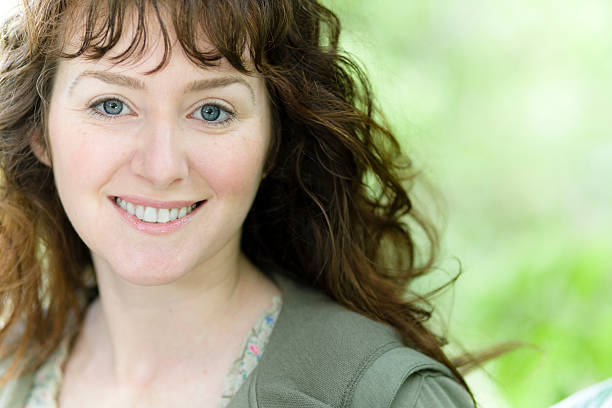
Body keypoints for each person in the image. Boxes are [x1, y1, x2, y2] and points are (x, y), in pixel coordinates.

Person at [0, 0, 476, 406]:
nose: (162, 166)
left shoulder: (384, 396)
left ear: (273, 142)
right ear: (40, 130)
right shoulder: (12, 368)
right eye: (111, 104)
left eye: (212, 111)